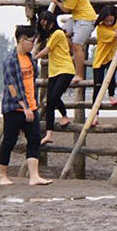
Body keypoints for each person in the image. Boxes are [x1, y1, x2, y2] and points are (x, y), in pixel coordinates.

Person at [0, 25, 51, 186]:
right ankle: (2, 176)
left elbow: (31, 82)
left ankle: (34, 176)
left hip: (32, 106)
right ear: (22, 40)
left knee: (34, 139)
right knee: (9, 140)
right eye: (31, 41)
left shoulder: (29, 58)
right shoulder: (10, 60)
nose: (33, 44)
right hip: (14, 108)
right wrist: (25, 107)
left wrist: (32, 106)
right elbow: (12, 86)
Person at [34, 10, 74, 144]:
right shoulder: (50, 36)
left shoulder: (57, 33)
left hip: (65, 69)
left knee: (54, 97)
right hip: (54, 71)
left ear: (50, 20)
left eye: (45, 21)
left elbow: (47, 50)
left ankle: (64, 116)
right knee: (50, 103)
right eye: (41, 21)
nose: (43, 23)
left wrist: (33, 58)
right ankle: (49, 133)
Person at [90, 5, 117, 106]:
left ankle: (111, 96)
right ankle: (95, 114)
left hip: (112, 56)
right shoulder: (101, 28)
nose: (109, 23)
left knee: (111, 76)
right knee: (98, 86)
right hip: (100, 59)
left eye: (111, 20)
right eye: (106, 21)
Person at [54, 0, 97, 81]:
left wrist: (55, 1)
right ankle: (75, 55)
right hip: (76, 18)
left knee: (77, 44)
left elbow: (66, 9)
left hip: (86, 19)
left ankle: (79, 74)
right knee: (60, 33)